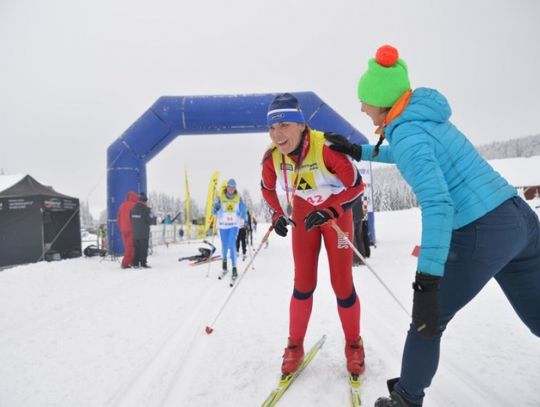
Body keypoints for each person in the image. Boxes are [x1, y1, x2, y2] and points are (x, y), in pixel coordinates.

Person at [326, 45, 540, 406]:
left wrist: (428, 281)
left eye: (364, 100)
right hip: (520, 220)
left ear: (381, 100)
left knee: (428, 321)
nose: (361, 107)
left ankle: (406, 400)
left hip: (480, 230)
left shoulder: (407, 135)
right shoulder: (423, 118)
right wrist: (360, 151)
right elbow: (414, 150)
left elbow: (439, 203)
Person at [261, 93, 366, 377]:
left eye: (283, 125)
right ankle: (294, 347)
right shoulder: (273, 159)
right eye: (271, 127)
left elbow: (356, 186)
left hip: (337, 222)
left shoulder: (326, 147)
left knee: (342, 285)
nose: (276, 134)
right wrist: (276, 214)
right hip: (303, 220)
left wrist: (332, 210)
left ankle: (354, 345)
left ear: (300, 124)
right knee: (303, 284)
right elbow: (267, 189)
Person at [212, 179, 248, 279]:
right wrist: (215, 208)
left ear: (235, 188)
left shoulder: (238, 198)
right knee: (224, 246)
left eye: (233, 187)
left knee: (232, 244)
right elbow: (213, 211)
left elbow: (243, 210)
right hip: (223, 225)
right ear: (226, 187)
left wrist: (245, 218)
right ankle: (224, 263)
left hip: (233, 225)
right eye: (229, 187)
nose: (231, 189)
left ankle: (234, 267)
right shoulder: (220, 197)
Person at [116, 191, 138, 268]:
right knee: (131, 247)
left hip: (123, 230)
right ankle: (125, 263)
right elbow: (136, 219)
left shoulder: (121, 206)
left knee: (128, 247)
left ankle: (131, 262)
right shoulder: (135, 205)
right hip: (131, 229)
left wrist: (121, 227)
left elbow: (118, 219)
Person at [130, 192, 152, 268]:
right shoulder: (146, 210)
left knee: (136, 249)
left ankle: (135, 263)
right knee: (143, 249)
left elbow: (131, 219)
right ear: (145, 201)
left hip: (135, 233)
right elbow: (150, 221)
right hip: (144, 234)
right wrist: (153, 218)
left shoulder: (133, 209)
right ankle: (143, 263)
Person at [351, 195, 370, 266]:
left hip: (353, 217)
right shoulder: (358, 192)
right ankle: (362, 259)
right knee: (359, 238)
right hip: (360, 217)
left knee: (353, 239)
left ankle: (355, 260)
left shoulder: (349, 193)